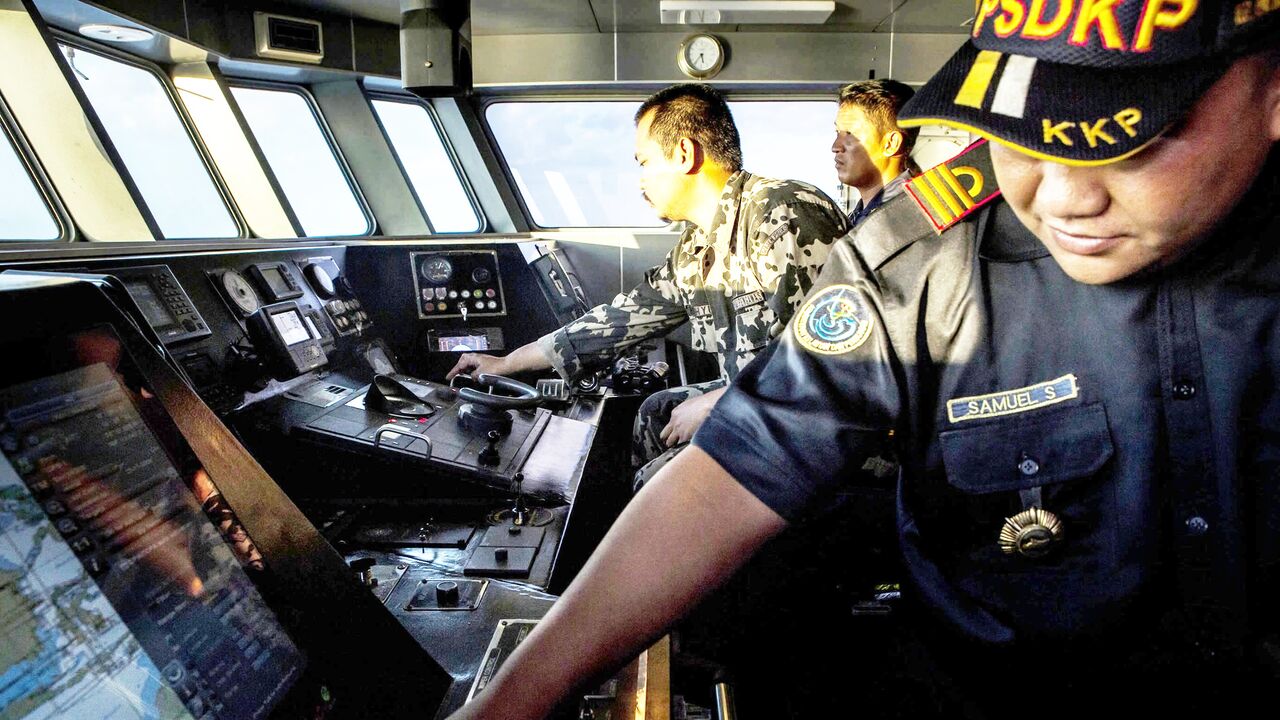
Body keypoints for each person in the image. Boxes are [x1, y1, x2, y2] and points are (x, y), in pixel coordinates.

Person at [447, 2, 1280, 718]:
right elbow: (737, 471)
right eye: (1017, 134)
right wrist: (515, 699)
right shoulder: (916, 264)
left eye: (1134, 139)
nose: (1061, 197)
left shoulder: (785, 212)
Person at [447, 84, 847, 486]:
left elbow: (828, 357)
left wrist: (723, 401)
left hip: (813, 425)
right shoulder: (697, 245)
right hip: (758, 402)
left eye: (644, 162)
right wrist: (504, 364)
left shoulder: (784, 212)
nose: (639, 180)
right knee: (656, 411)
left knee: (659, 481)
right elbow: (619, 320)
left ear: (685, 154)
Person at [832, 79, 919, 227]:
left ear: (891, 144)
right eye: (837, 132)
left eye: (850, 133)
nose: (835, 147)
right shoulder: (862, 215)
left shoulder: (906, 219)